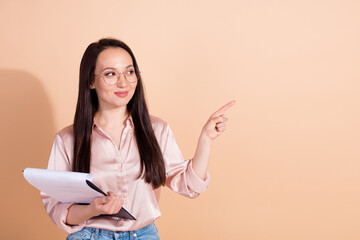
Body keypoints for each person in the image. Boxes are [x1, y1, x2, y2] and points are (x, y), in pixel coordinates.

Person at [41, 38, 235, 240]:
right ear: (91, 81)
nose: (123, 82)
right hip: (89, 235)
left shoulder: (156, 130)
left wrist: (206, 139)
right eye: (110, 74)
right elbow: (56, 207)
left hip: (144, 235)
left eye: (129, 71)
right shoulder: (68, 139)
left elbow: (190, 187)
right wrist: (92, 209)